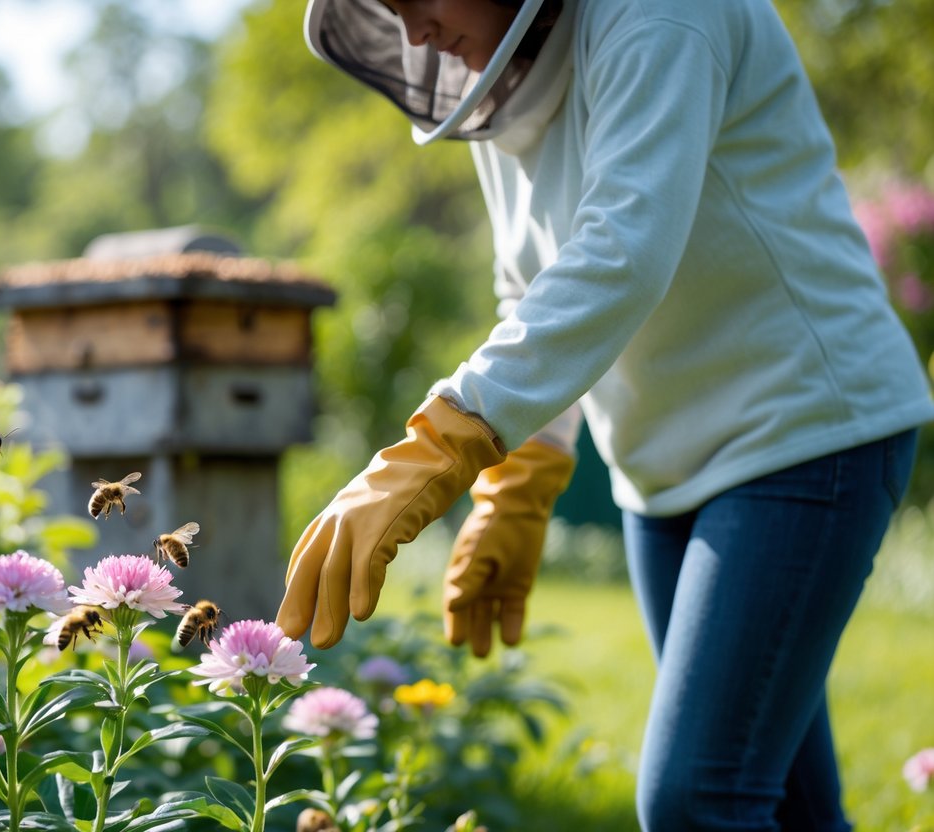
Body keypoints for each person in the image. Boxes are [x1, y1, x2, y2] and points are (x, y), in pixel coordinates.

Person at [273, 0, 934, 828]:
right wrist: (521, 477)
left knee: (698, 799)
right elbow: (531, 284)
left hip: (805, 431)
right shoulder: (497, 77)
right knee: (783, 807)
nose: (415, 36)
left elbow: (621, 251)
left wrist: (442, 444)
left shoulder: (661, 14)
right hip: (662, 471)